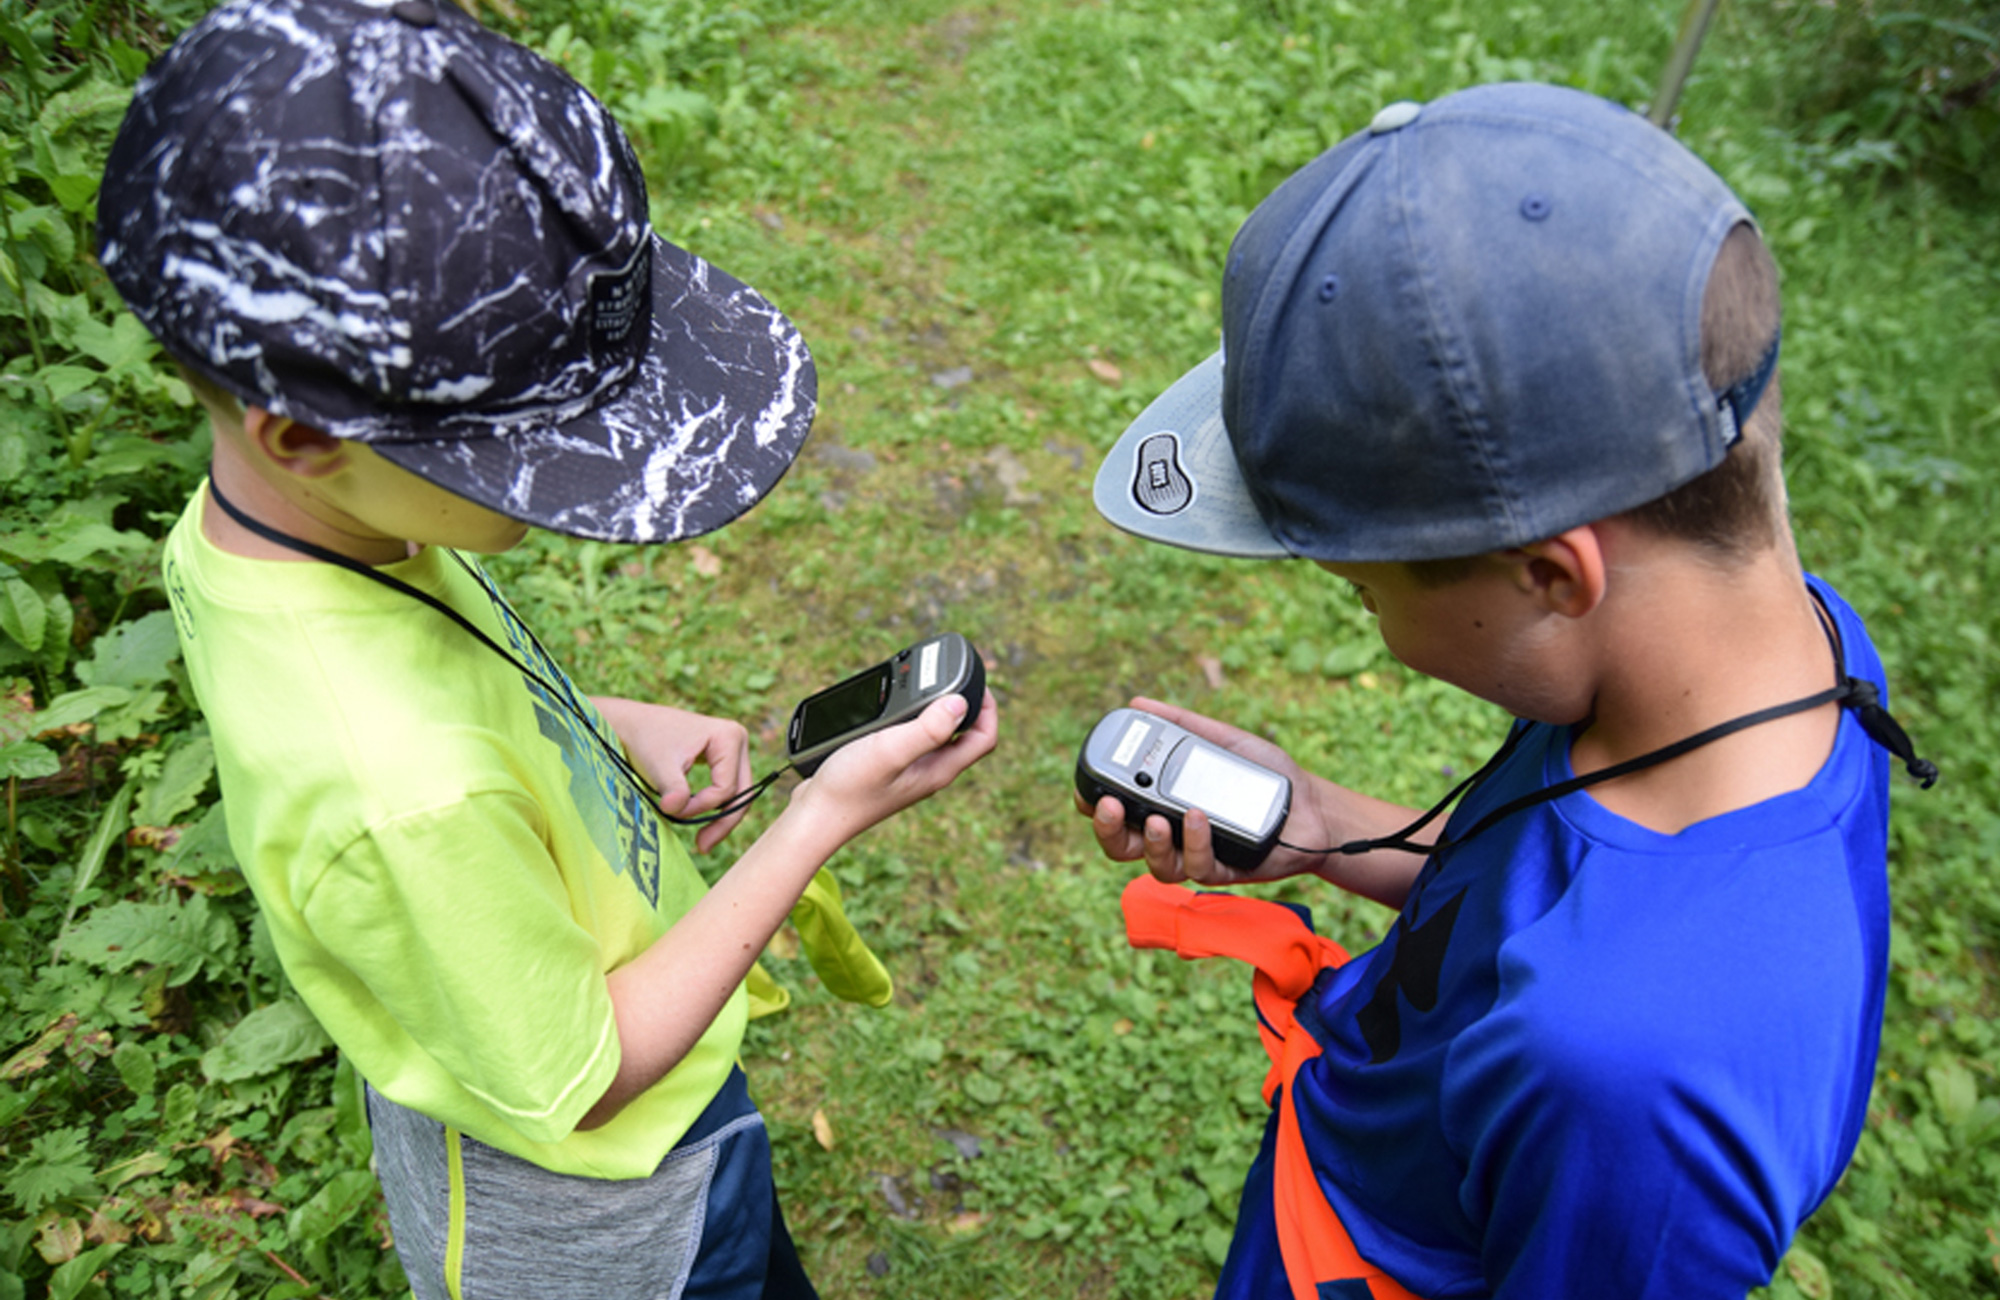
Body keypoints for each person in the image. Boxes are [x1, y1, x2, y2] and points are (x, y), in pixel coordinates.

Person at [96, 1, 997, 1296]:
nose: (568, 486)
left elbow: (428, 695)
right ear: (304, 437)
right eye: (532, 454)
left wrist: (592, 724)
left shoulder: (277, 539)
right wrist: (817, 820)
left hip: (608, 1071)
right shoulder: (405, 794)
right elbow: (586, 1074)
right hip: (622, 1224)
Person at [1080, 82, 1934, 1298]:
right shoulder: (1781, 655)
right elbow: (1541, 886)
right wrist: (1324, 823)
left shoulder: (1628, 1086)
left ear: (1550, 574)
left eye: (1359, 593)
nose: (1369, 621)